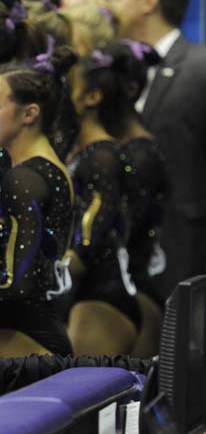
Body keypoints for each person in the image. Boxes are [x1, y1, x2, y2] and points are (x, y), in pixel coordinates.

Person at [0, 47, 76, 358]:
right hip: (38, 332)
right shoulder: (51, 168)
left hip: (22, 339)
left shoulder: (24, 179)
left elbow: (17, 289)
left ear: (29, 113)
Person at [109, 0, 206, 298]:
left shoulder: (200, 67)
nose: (111, 4)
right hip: (121, 263)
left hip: (186, 258)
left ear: (149, 0)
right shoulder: (109, 71)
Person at [65, 49, 141, 356]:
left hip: (102, 296)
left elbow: (89, 238)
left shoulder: (103, 156)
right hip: (85, 293)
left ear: (91, 98)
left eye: (67, 87)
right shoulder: (81, 152)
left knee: (80, 400)